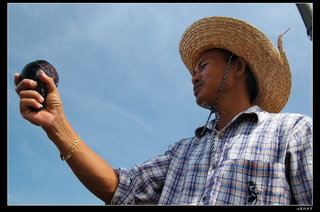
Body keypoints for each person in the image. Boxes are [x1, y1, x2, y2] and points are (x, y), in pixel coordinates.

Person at [14, 16, 312, 205]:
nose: (193, 76)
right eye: (193, 70)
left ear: (237, 67)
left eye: (202, 66)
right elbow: (122, 190)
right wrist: (57, 125)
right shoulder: (181, 153)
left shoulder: (293, 132)